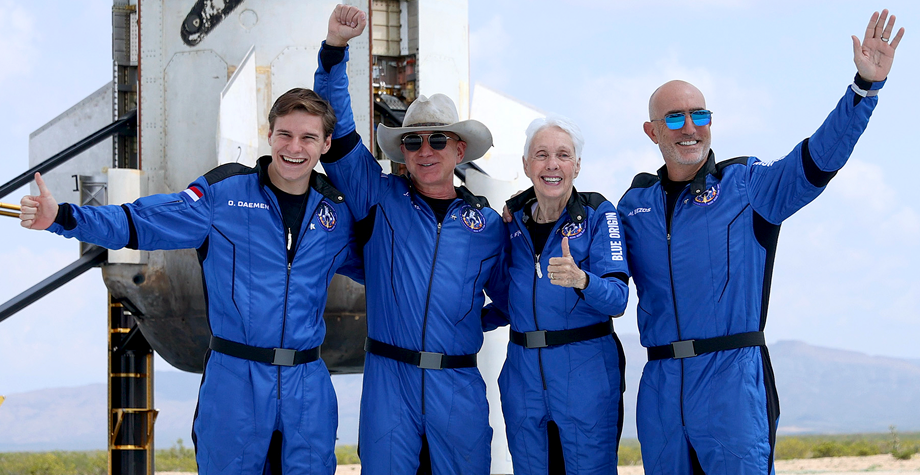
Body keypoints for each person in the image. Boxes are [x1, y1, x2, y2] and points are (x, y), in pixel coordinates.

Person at [617, 10, 904, 475]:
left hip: (732, 383)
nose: (690, 127)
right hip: (660, 388)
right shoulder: (632, 206)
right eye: (675, 118)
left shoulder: (749, 186)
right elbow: (595, 259)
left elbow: (817, 159)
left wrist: (863, 89)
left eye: (700, 115)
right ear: (652, 131)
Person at [19, 88, 361, 475]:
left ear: (326, 144)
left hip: (307, 387)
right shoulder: (223, 195)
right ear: (269, 135)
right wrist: (65, 217)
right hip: (235, 383)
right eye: (285, 134)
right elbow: (141, 221)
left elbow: (392, 270)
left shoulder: (337, 214)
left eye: (308, 137)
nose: (293, 147)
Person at [313, 5, 510, 474]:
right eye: (414, 141)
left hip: (457, 383)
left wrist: (465, 321)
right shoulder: (377, 196)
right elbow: (338, 133)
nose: (425, 151)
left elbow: (511, 297)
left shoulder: (490, 227)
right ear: (401, 150)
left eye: (438, 141)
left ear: (459, 150)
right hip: (388, 382)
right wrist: (334, 50)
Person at [496, 115, 630, 474]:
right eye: (541, 154)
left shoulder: (600, 215)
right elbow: (511, 298)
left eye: (563, 155)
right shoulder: (511, 223)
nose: (552, 164)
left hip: (585, 378)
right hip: (523, 379)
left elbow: (618, 299)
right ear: (526, 165)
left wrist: (582, 280)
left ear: (577, 165)